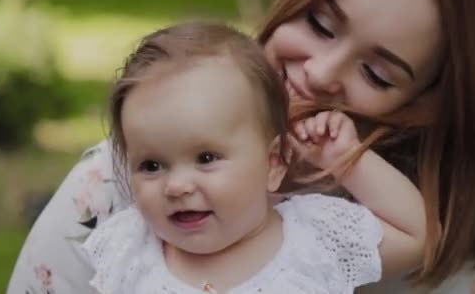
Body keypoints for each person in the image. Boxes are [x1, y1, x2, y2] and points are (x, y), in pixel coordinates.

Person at [7, 0, 475, 293]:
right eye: (320, 24)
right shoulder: (117, 206)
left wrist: (350, 163)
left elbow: (420, 237)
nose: (320, 73)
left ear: (426, 103)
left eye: (376, 72)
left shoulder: (324, 236)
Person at [84, 21, 424, 293]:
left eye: (206, 158)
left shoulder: (315, 239)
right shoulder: (130, 250)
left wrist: (348, 158)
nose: (176, 186)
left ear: (273, 162)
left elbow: (416, 237)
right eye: (152, 166)